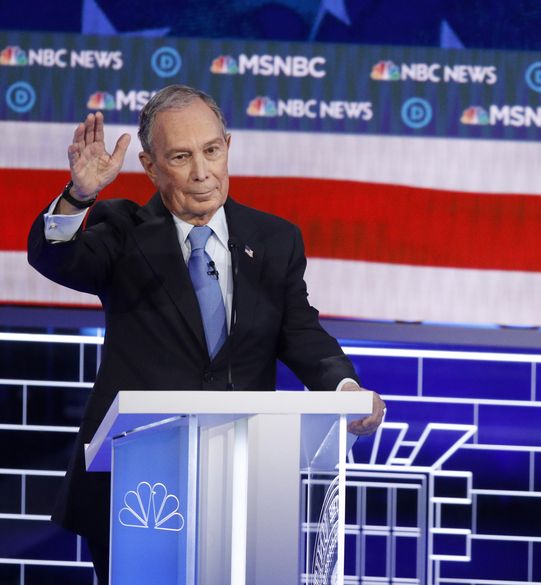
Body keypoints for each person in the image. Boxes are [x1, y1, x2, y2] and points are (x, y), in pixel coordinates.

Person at [27, 85, 386, 584]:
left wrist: (345, 389)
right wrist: (79, 196)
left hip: (246, 481)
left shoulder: (275, 240)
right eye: (181, 156)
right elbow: (55, 257)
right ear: (151, 167)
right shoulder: (123, 231)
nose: (202, 172)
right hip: (136, 490)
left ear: (228, 147)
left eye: (212, 151)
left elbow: (301, 332)